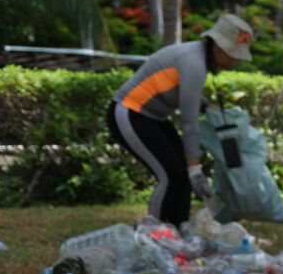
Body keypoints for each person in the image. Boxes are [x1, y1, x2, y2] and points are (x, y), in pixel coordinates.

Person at [107, 14, 253, 227]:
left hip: (153, 117)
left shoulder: (199, 58)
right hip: (129, 112)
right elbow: (189, 122)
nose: (235, 60)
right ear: (217, 47)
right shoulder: (194, 62)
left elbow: (185, 92)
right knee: (171, 176)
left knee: (180, 177)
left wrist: (206, 106)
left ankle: (179, 236)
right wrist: (195, 167)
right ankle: (153, 238)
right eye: (232, 54)